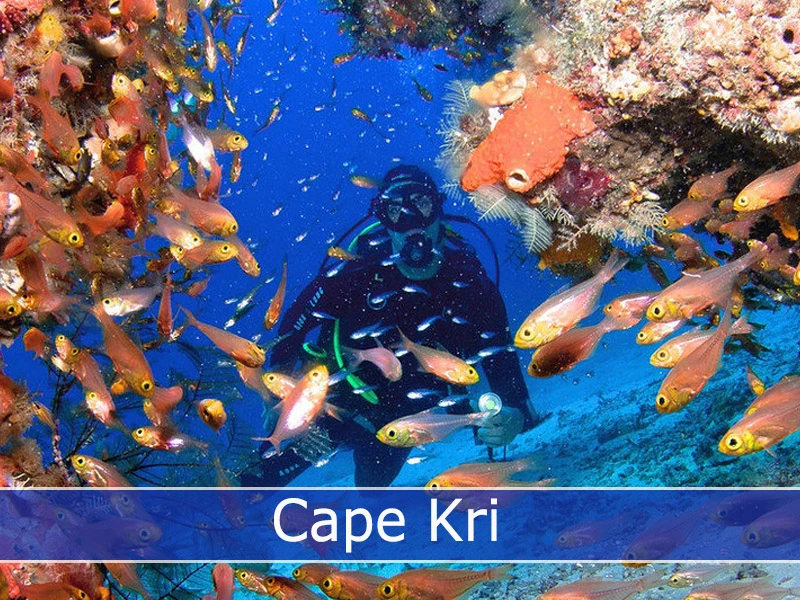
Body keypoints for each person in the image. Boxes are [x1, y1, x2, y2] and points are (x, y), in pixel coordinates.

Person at [243, 165, 539, 487]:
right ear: (383, 219)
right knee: (259, 478)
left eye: (422, 205)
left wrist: (511, 418)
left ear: (438, 210)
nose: (411, 223)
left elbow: (508, 381)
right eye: (396, 210)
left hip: (429, 414)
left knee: (371, 489)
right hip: (344, 403)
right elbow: (291, 330)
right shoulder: (354, 274)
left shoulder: (471, 286)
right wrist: (284, 398)